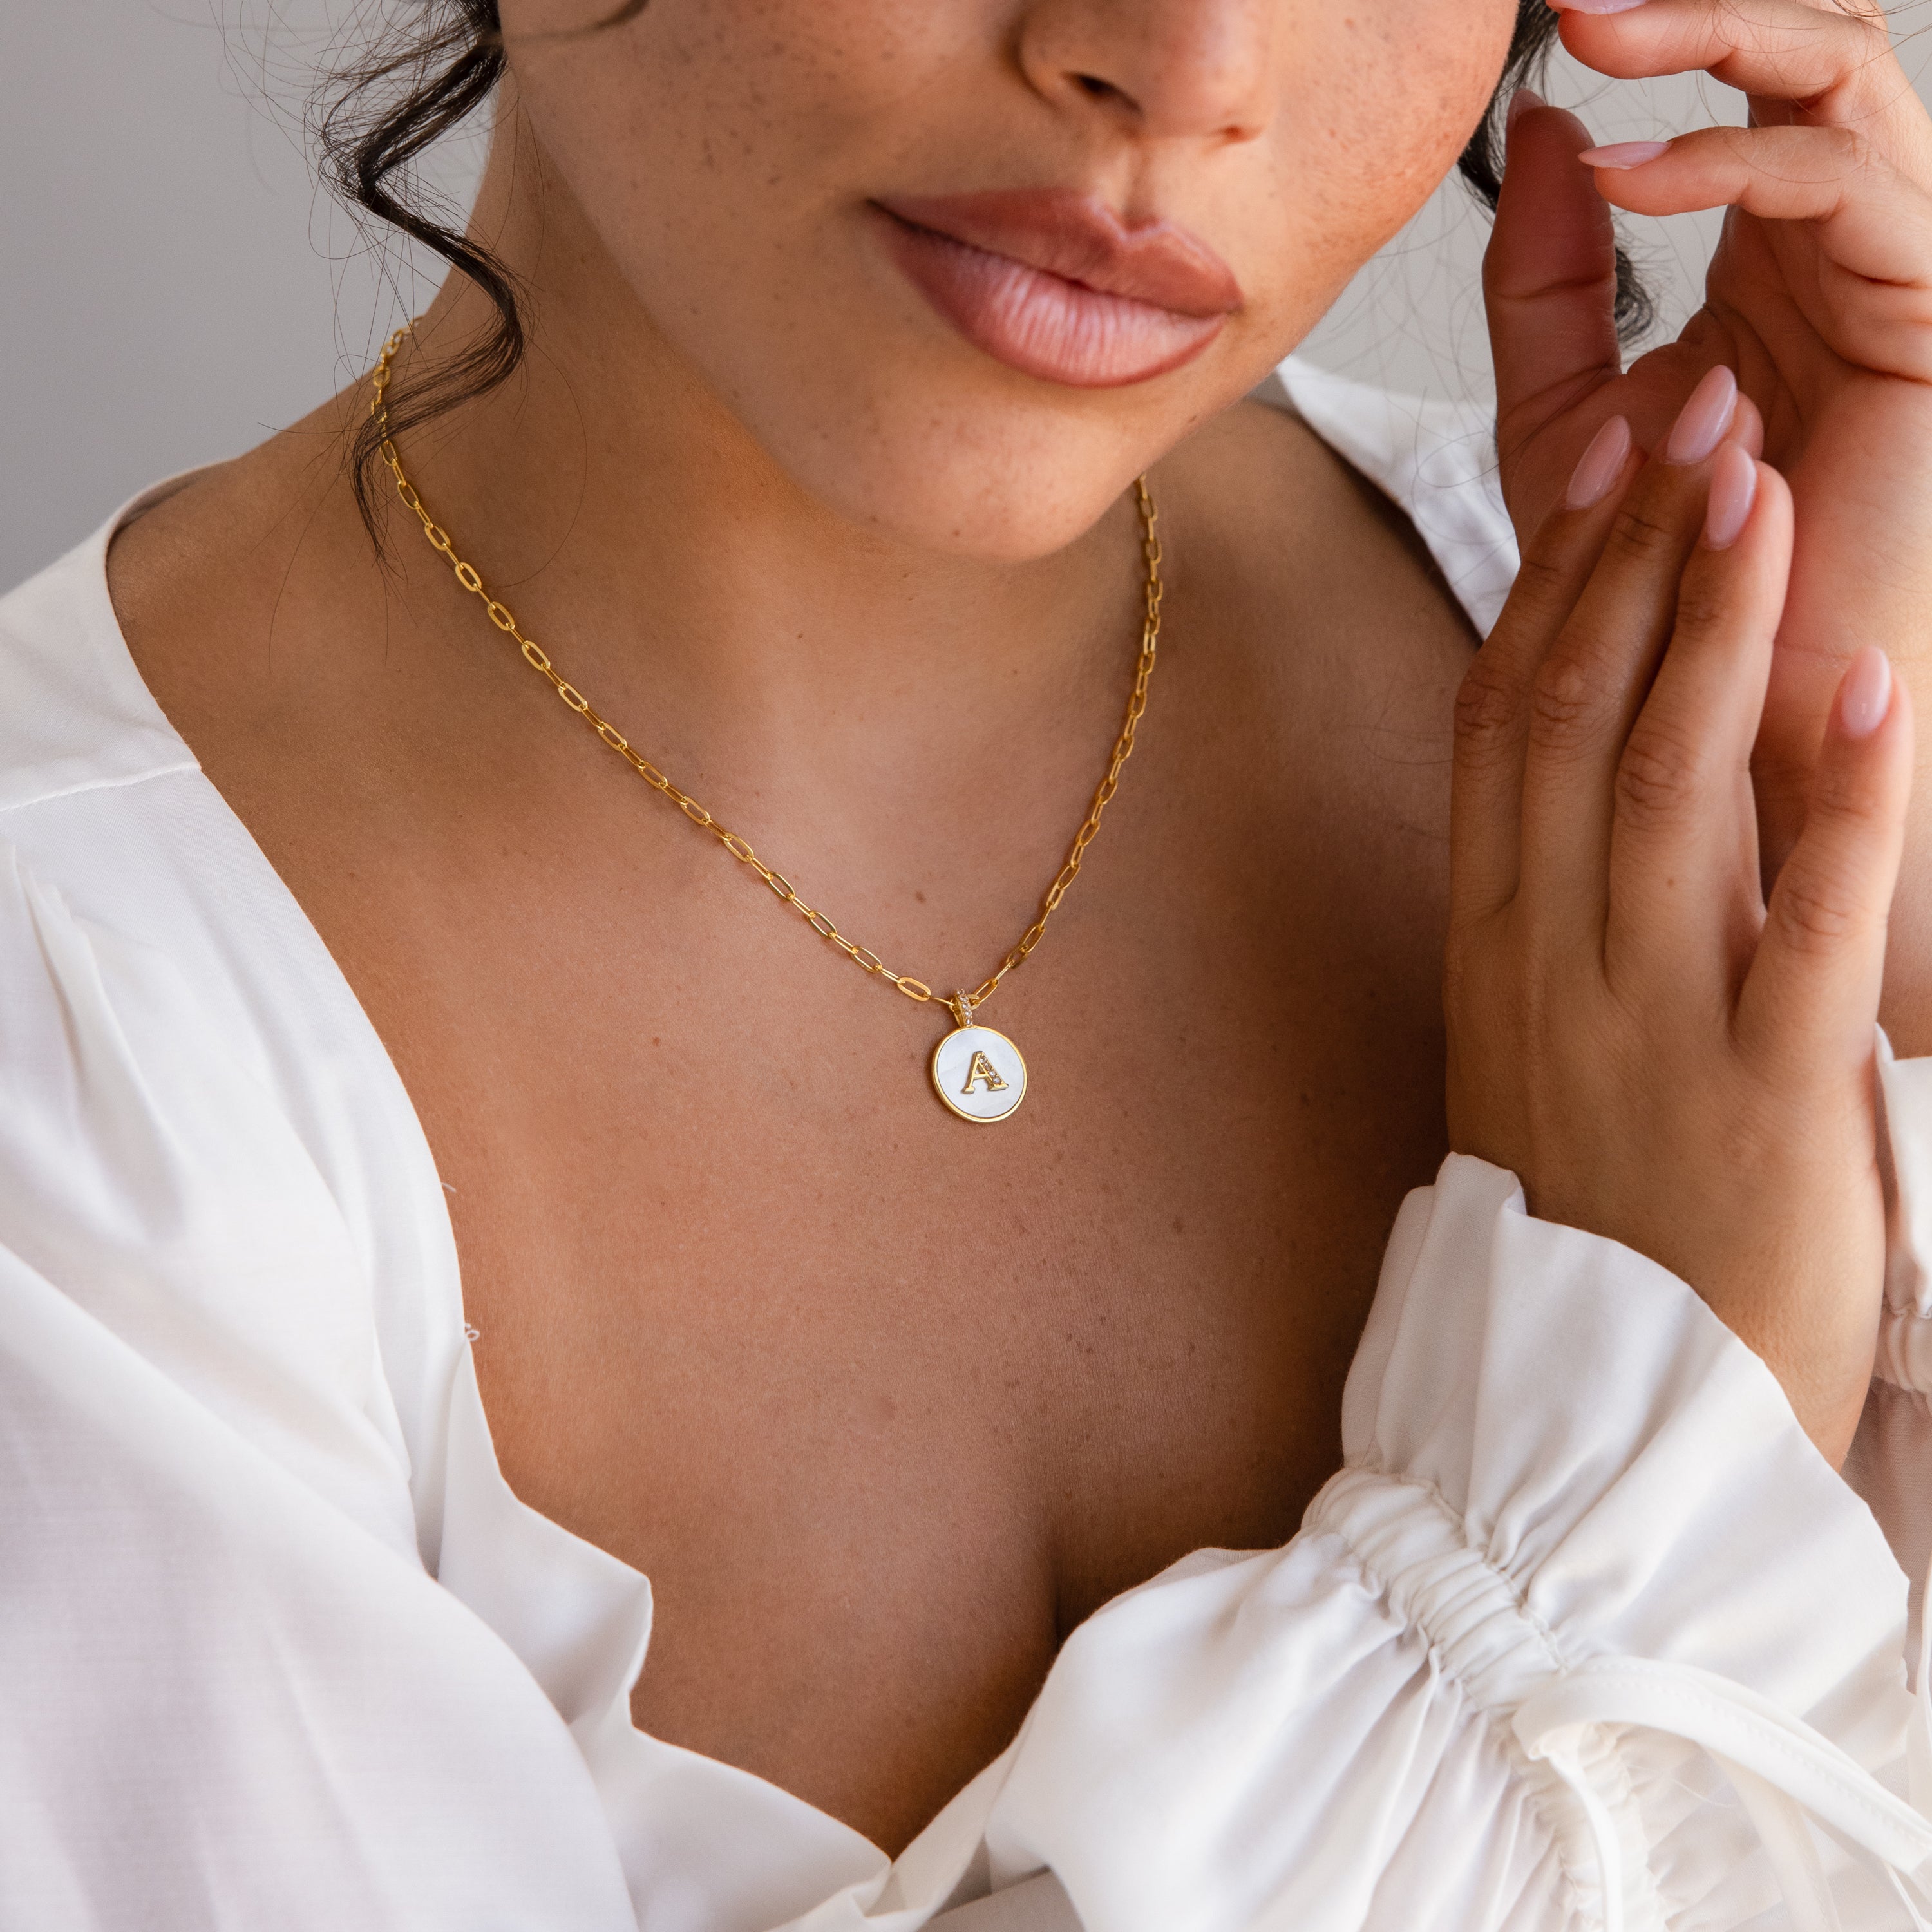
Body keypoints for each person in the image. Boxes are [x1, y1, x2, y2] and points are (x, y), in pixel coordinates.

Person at [6, 0, 1932, 1924]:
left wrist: (1878, 916)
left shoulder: (1659, 656)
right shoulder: (72, 1041)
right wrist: (1615, 1484)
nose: (1191, 69)